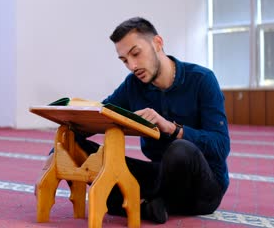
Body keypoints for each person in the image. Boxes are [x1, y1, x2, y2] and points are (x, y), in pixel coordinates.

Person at [36, 17, 230, 224]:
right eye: (125, 60)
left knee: (181, 149)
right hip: (160, 176)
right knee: (80, 149)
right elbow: (96, 118)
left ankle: (134, 202)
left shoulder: (202, 80)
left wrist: (171, 128)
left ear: (157, 43)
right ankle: (150, 204)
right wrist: (54, 159)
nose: (132, 65)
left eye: (136, 54)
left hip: (203, 186)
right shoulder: (133, 86)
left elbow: (221, 146)